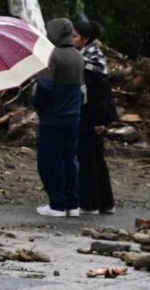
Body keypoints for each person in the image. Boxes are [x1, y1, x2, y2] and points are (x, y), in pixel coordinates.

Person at [34, 17, 85, 218]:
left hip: (53, 118)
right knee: (69, 160)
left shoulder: (51, 56)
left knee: (49, 161)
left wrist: (39, 107)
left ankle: (56, 204)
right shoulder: (78, 57)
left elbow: (44, 88)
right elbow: (81, 91)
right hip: (73, 118)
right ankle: (72, 204)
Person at [72, 20, 118, 215]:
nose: (71, 40)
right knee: (96, 158)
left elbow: (99, 95)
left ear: (86, 39)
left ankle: (90, 203)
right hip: (92, 116)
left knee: (89, 159)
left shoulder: (92, 63)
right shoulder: (91, 58)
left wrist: (100, 121)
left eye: (74, 36)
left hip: (93, 117)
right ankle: (105, 203)